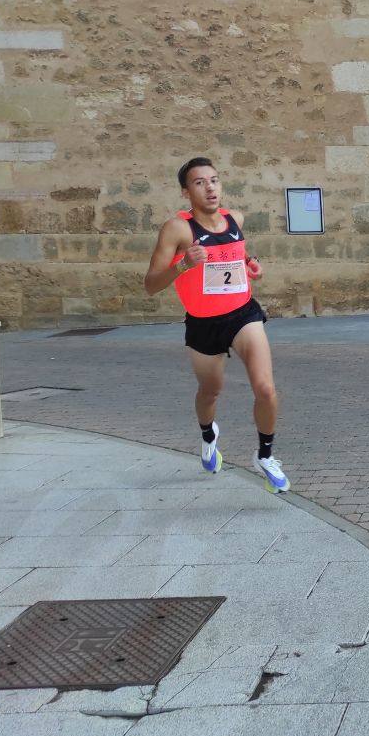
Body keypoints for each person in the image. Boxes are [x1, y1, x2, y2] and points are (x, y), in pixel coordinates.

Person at [143, 157, 290, 492]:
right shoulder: (178, 229)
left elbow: (238, 254)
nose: (210, 187)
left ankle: (265, 456)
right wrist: (182, 266)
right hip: (203, 323)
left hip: (242, 313)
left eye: (214, 180)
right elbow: (150, 284)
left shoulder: (234, 218)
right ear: (186, 191)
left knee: (265, 388)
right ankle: (209, 436)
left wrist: (252, 264)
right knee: (211, 391)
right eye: (199, 182)